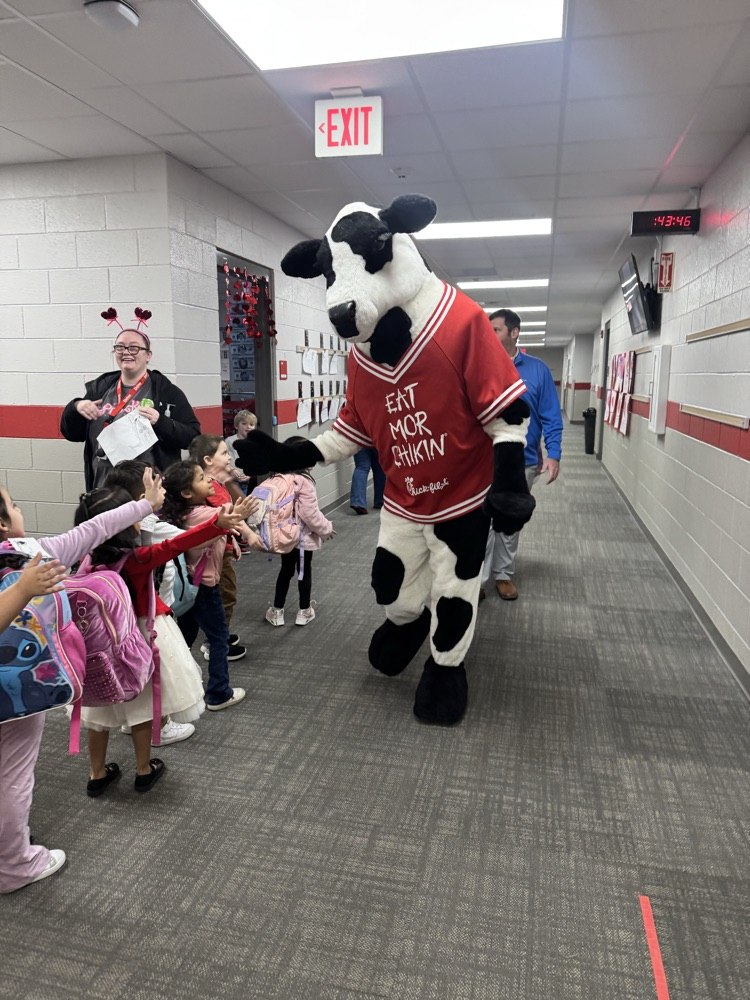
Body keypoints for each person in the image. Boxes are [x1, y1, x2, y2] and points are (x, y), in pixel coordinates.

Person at [0, 474, 162, 892]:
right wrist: (21, 590)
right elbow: (92, 531)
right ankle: (14, 865)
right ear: (2, 524)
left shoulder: (32, 552)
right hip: (17, 698)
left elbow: (91, 530)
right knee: (12, 778)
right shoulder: (29, 561)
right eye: (13, 504)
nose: (20, 510)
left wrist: (145, 504)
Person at [73, 481, 248, 794]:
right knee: (141, 707)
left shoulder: (84, 559)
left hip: (98, 643)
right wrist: (216, 525)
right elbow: (175, 546)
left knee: (97, 712)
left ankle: (96, 773)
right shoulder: (136, 559)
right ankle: (143, 769)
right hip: (140, 636)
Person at [60, 306, 201, 490]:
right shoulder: (100, 389)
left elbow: (193, 438)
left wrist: (160, 421)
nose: (126, 352)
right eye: (120, 347)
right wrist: (75, 408)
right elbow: (72, 434)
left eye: (134, 348)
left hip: (147, 494)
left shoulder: (166, 391)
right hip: (104, 489)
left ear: (148, 355)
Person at [161, 461, 256, 710]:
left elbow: (212, 533)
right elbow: (226, 519)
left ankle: (173, 686)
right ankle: (218, 693)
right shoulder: (205, 513)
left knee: (185, 637)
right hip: (206, 587)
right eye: (202, 479)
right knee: (218, 638)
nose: (209, 482)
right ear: (186, 493)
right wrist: (241, 510)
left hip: (189, 587)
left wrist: (230, 542)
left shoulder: (181, 513)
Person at [482, 308, 563, 601]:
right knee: (482, 520)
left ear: (514, 333)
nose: (490, 334)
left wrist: (553, 454)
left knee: (508, 520)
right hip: (483, 461)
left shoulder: (537, 370)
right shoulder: (479, 366)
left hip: (523, 462)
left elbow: (552, 416)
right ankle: (477, 579)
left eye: (496, 330)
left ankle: (503, 574)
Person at [188, 434, 256, 662]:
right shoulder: (211, 489)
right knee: (225, 594)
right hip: (215, 554)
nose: (229, 457)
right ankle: (215, 642)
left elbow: (222, 524)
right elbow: (227, 518)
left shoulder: (216, 483)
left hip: (221, 546)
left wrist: (233, 540)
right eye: (224, 453)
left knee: (223, 593)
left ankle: (220, 634)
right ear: (208, 460)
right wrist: (249, 535)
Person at [264, 438, 335, 628]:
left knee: (285, 571)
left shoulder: (278, 478)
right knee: (304, 572)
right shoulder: (305, 482)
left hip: (285, 535)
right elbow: (309, 513)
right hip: (302, 538)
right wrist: (326, 528)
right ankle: (304, 611)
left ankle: (277, 611)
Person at [225, 410, 257, 492]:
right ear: (236, 426)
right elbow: (224, 459)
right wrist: (231, 470)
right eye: (244, 424)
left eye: (251, 424)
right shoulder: (229, 441)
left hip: (245, 481)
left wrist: (250, 474)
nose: (248, 427)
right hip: (231, 480)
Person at [349, 447, 386, 515]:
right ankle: (380, 501)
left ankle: (358, 502)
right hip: (377, 439)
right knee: (380, 469)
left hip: (360, 440)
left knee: (361, 468)